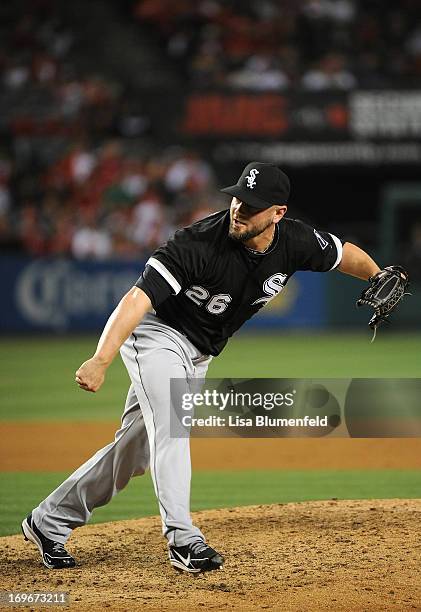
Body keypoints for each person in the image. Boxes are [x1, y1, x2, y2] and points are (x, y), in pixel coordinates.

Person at [21, 162, 381, 573]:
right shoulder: (197, 242)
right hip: (157, 336)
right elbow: (136, 300)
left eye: (253, 205)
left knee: (135, 452)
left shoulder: (295, 240)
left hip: (200, 352)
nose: (240, 210)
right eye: (238, 199)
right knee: (173, 425)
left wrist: (376, 274)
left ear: (278, 213)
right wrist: (101, 358)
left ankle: (47, 522)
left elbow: (343, 254)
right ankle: (183, 539)